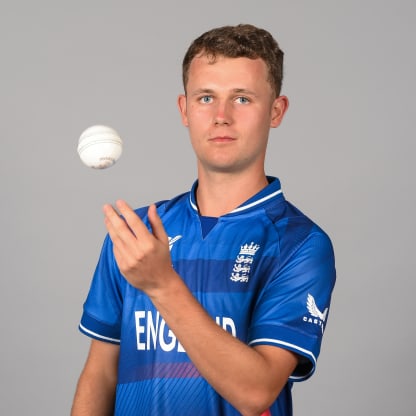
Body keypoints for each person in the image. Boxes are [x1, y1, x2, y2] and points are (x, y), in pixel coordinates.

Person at [71, 24, 336, 416]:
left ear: (276, 111)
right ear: (184, 110)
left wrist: (162, 284)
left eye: (242, 99)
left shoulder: (300, 244)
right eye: (206, 97)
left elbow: (255, 391)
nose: (221, 116)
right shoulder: (137, 233)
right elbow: (101, 375)